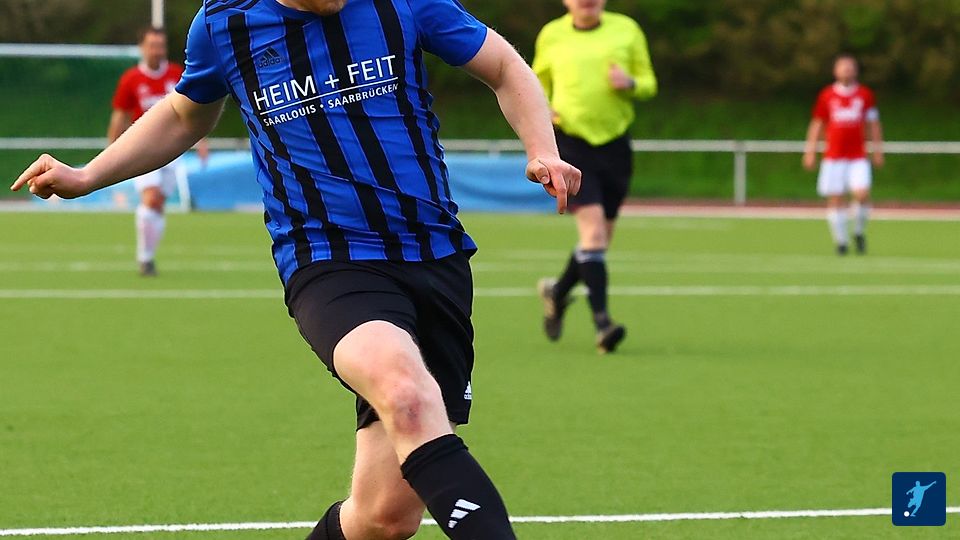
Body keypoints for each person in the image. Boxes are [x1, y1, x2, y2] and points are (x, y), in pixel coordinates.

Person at [12, 1, 580, 539]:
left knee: (384, 518)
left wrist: (542, 149)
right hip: (328, 260)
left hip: (435, 255)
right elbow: (184, 115)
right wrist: (88, 176)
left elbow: (504, 66)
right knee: (405, 392)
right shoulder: (225, 23)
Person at [532, 0, 657, 353]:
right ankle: (603, 324)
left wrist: (630, 83)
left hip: (615, 145)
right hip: (571, 143)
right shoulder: (552, 34)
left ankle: (557, 292)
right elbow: (534, 82)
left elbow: (649, 83)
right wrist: (543, 108)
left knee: (598, 241)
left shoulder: (626, 29)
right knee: (594, 234)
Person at [109, 26, 208, 276]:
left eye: (161, 46)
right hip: (142, 148)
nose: (157, 51)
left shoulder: (176, 74)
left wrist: (201, 142)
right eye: (152, 46)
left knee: (158, 204)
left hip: (173, 150)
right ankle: (144, 259)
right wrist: (111, 152)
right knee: (151, 198)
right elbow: (120, 117)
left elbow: (195, 111)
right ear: (142, 48)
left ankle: (148, 257)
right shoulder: (131, 79)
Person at [803, 54, 884, 256]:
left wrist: (877, 150)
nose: (847, 70)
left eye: (850, 67)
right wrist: (810, 151)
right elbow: (817, 124)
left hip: (858, 156)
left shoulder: (864, 95)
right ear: (835, 71)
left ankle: (858, 231)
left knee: (862, 194)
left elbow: (873, 124)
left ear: (856, 70)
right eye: (843, 67)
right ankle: (841, 242)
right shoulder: (827, 95)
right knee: (836, 198)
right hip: (833, 157)